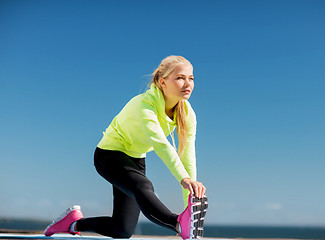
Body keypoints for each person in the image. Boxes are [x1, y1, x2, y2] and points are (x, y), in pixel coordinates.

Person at [44, 56, 208, 239]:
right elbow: (161, 144)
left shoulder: (187, 113)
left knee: (122, 230)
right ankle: (178, 224)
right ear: (163, 82)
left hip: (135, 159)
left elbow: (187, 153)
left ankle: (73, 223)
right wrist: (183, 179)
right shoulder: (145, 105)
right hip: (109, 155)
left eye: (191, 78)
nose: (188, 83)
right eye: (180, 78)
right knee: (143, 185)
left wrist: (190, 199)